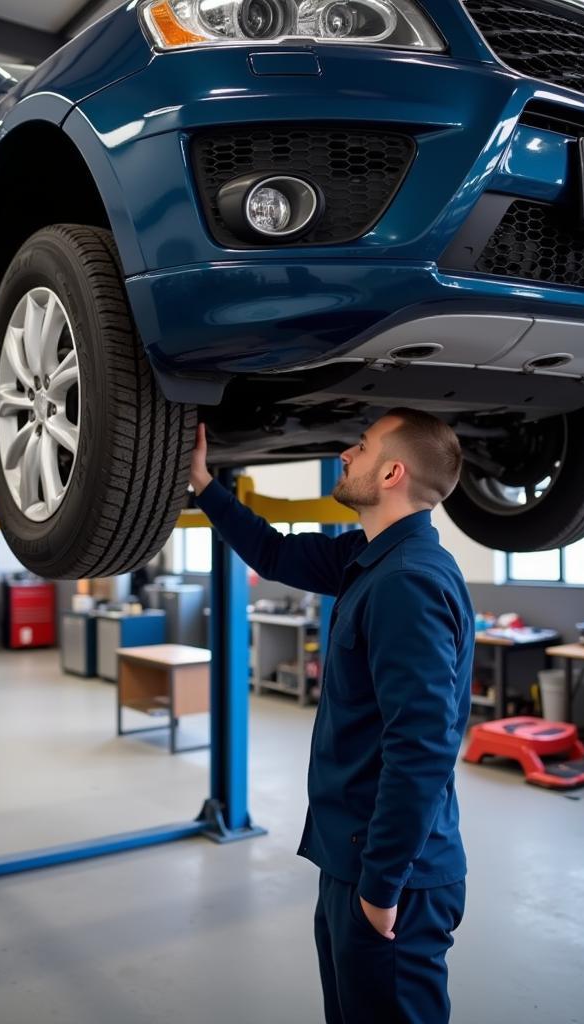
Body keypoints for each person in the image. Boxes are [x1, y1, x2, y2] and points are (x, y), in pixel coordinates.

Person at [190, 409, 474, 1024]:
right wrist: (204, 485)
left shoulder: (406, 582)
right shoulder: (368, 555)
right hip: (356, 858)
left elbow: (421, 750)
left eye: (363, 446)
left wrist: (379, 890)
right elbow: (273, 551)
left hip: (390, 876)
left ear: (392, 472)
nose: (346, 452)